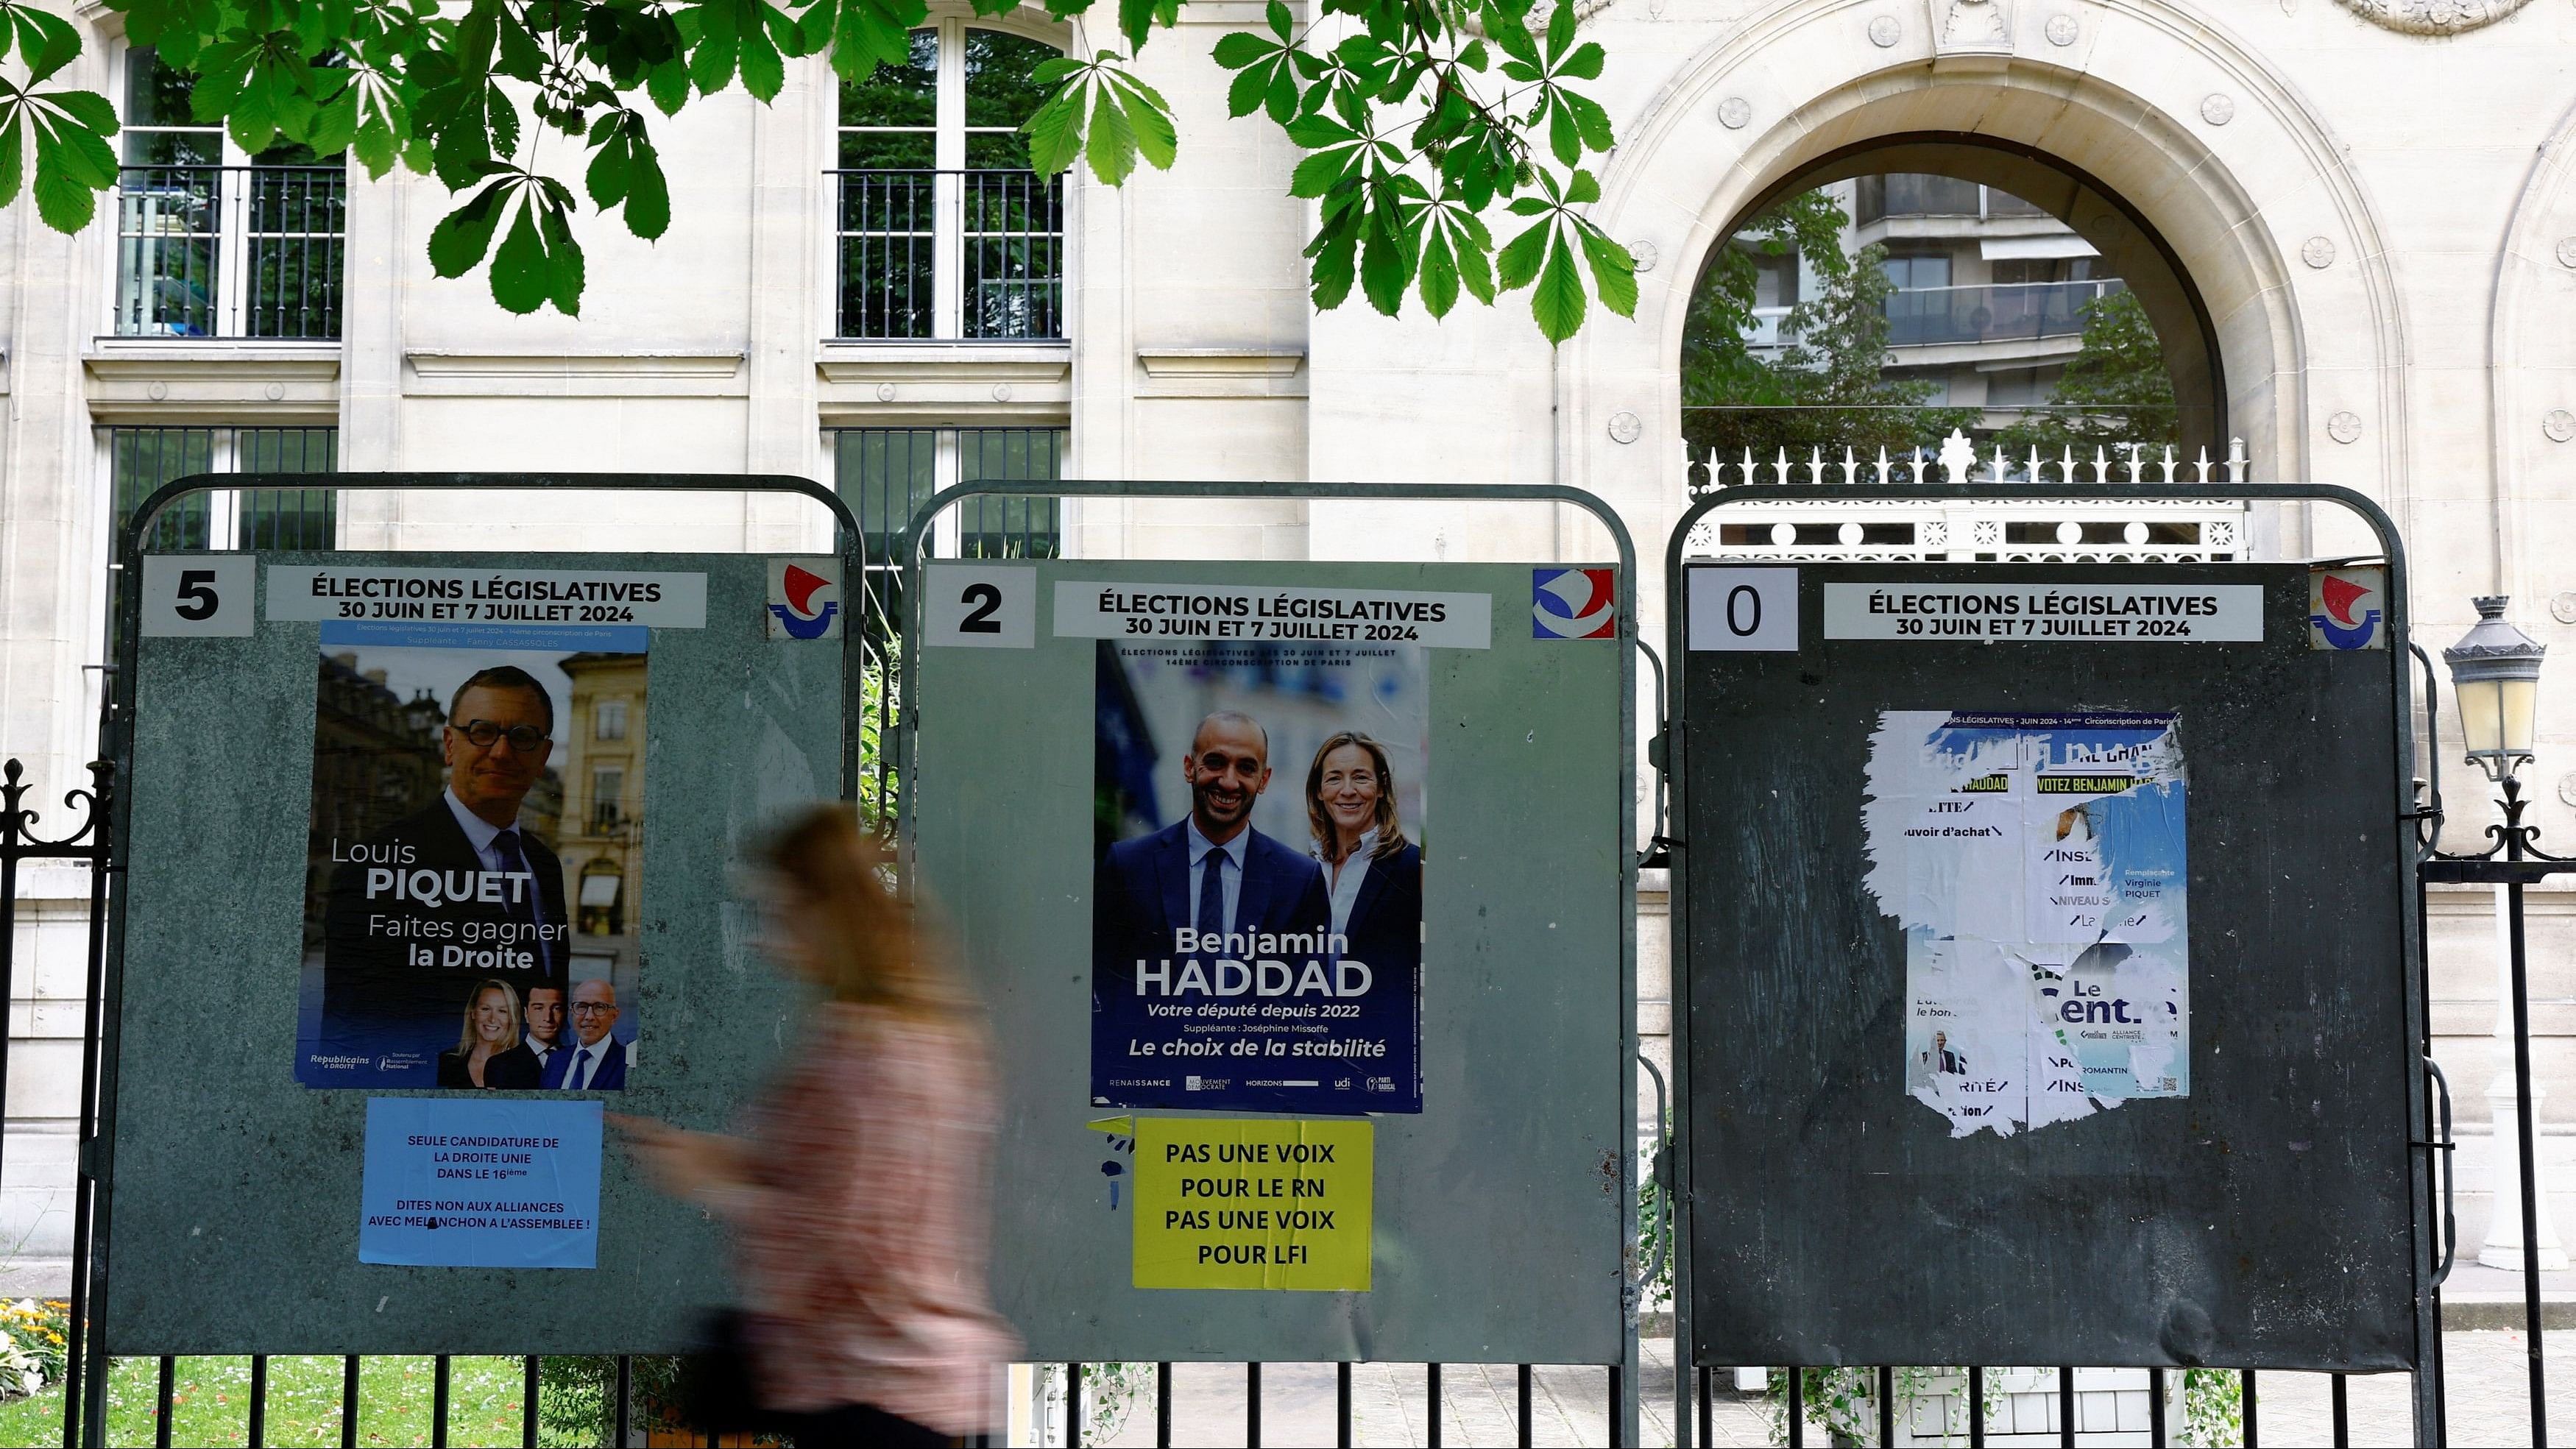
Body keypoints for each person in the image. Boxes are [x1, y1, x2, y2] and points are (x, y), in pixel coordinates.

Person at [615, 805, 1016, 1447]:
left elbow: (843, 1239)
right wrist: (733, 1162)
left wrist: (712, 1184)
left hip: (869, 1389)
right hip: (910, 1385)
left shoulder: (861, 1047)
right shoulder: (930, 1032)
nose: (763, 937)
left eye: (777, 911)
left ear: (823, 910)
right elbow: (854, 1184)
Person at [318, 666, 573, 1079]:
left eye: (523, 737)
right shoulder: (378, 860)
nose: (502, 752)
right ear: (450, 744)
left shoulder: (545, 866)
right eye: (482, 731)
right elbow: (351, 1032)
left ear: (543, 756)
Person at [1093, 710, 1331, 972]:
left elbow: (1308, 998)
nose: (1229, 782)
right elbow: (1103, 982)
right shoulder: (1128, 865)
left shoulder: (1300, 880)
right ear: (1189, 768)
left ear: (1263, 780)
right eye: (1215, 762)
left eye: (1246, 768)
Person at [1303, 731, 1422, 977]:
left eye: (1361, 777)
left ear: (1381, 787)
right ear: (1319, 791)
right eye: (1334, 779)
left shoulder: (1414, 868)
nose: (1348, 790)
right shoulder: (1304, 872)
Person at [436, 979, 539, 1088]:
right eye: (485, 1009)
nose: (492, 1019)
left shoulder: (528, 1065)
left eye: (502, 1011)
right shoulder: (449, 1060)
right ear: (473, 1013)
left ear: (511, 1018)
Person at [542, 979, 629, 1090]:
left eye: (599, 1007)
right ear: (572, 1012)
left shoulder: (628, 1063)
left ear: (614, 1016)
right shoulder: (555, 1060)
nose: (589, 1016)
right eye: (581, 1006)